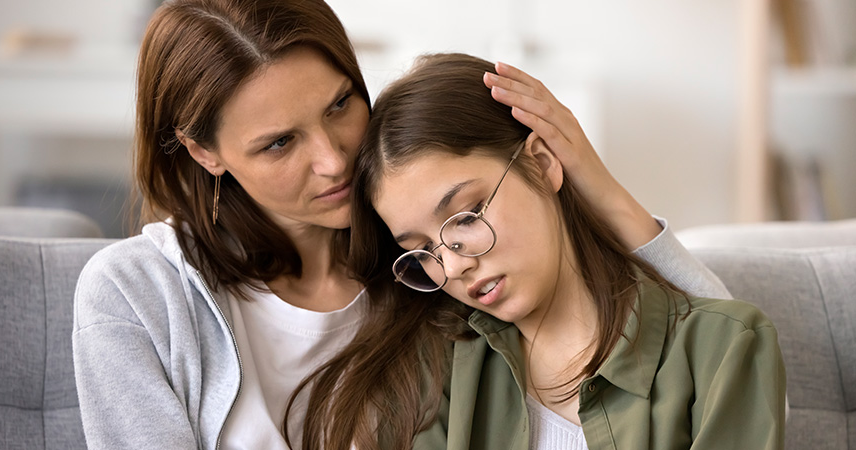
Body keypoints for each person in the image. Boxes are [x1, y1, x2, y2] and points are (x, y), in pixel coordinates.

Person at [71, 0, 731, 448]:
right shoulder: (136, 294)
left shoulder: (439, 260)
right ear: (204, 153)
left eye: (340, 105)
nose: (334, 160)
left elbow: (721, 359)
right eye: (279, 144)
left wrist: (595, 182)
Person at [347, 53, 786, 449]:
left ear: (540, 163)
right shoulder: (431, 375)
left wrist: (607, 192)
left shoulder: (724, 348)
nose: (455, 264)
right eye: (423, 250)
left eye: (466, 216)